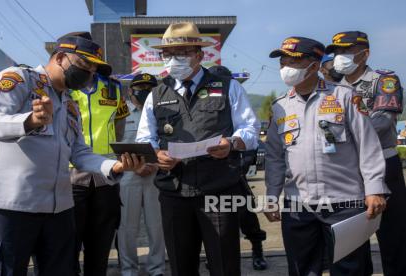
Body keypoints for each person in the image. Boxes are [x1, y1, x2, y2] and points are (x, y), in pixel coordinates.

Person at [0, 31, 143, 276]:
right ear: (61, 57)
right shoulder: (20, 79)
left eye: (94, 69)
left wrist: (114, 167)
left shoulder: (69, 104)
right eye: (86, 65)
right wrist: (30, 120)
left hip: (58, 210)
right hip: (10, 206)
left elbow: (79, 152)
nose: (90, 74)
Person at [137, 22, 260, 276]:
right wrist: (156, 156)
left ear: (199, 55)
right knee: (181, 266)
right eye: (168, 54)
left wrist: (232, 143)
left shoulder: (228, 87)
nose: (173, 60)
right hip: (174, 193)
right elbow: (144, 139)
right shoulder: (156, 94)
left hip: (218, 190)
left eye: (181, 53)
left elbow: (250, 130)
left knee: (224, 265)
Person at [265, 36, 389, 276]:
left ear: (314, 64)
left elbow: (368, 145)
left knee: (350, 269)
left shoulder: (345, 96)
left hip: (345, 203)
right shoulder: (280, 106)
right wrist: (271, 194)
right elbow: (274, 157)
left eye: (294, 60)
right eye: (283, 61)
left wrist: (374, 189)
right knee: (302, 269)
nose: (285, 67)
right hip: (298, 206)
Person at [327, 30, 406, 276]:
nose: (341, 56)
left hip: (383, 164)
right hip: (347, 172)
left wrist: (346, 130)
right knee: (351, 242)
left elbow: (382, 123)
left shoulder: (383, 81)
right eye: (338, 52)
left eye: (347, 51)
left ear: (365, 53)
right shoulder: (330, 89)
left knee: (394, 237)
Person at [67, 32, 130, 276]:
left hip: (105, 177)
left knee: (101, 243)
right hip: (71, 177)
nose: (89, 66)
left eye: (92, 61)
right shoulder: (63, 87)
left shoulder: (113, 88)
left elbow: (120, 125)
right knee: (68, 243)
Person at [208, 65, 268, 271]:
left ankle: (257, 251)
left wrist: (240, 168)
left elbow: (251, 144)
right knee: (214, 224)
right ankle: (212, 256)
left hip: (237, 177)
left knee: (248, 218)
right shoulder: (208, 114)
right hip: (211, 179)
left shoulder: (238, 110)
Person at [117, 73, 165, 276]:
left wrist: (155, 163)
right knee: (127, 228)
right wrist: (132, 166)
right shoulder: (120, 113)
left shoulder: (163, 111)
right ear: (130, 90)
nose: (144, 91)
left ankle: (157, 269)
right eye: (140, 87)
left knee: (157, 227)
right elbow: (113, 143)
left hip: (156, 175)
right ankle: (128, 270)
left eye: (149, 88)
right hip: (128, 176)